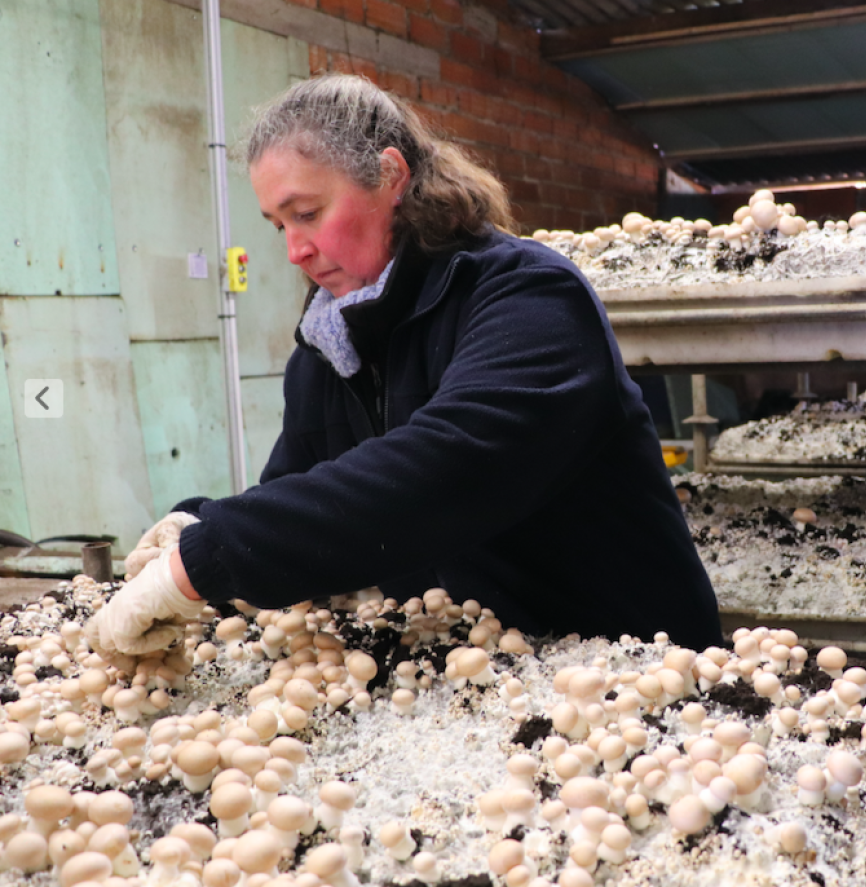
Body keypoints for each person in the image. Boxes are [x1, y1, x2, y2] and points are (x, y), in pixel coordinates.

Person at [85, 74, 721, 657]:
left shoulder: (529, 296)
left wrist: (204, 559)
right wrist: (195, 524)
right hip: (482, 682)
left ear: (390, 176)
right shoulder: (328, 345)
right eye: (278, 224)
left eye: (307, 214)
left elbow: (448, 470)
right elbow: (302, 495)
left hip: (633, 666)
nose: (294, 250)